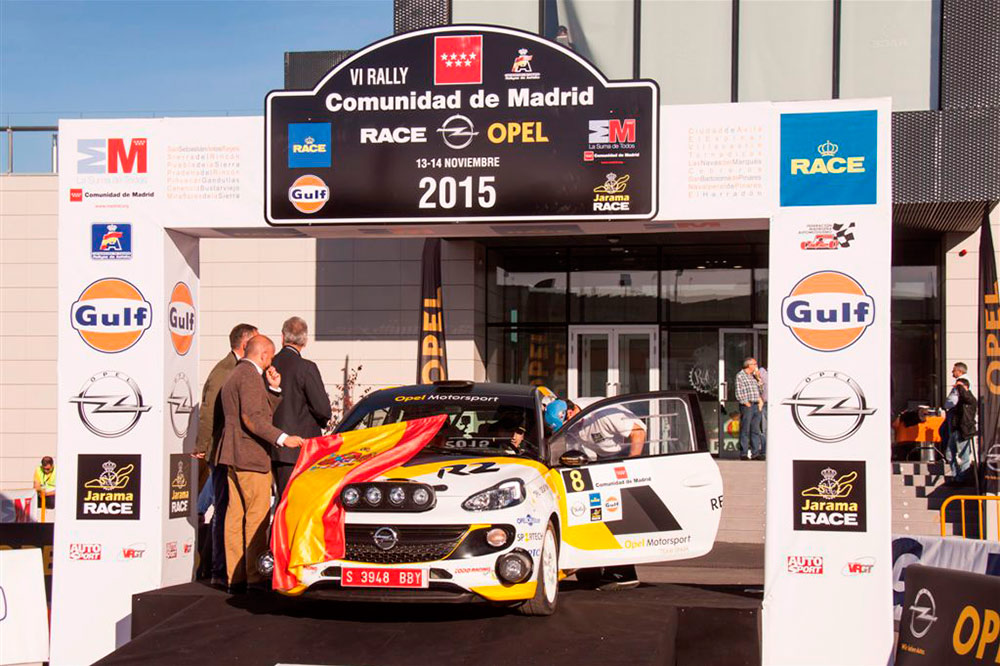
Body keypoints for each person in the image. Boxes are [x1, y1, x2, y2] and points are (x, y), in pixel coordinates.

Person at [217, 335, 304, 593]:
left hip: (233, 454)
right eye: (271, 356)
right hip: (250, 456)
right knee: (256, 519)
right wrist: (283, 438)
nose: (271, 361)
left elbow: (256, 411)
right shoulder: (249, 376)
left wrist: (274, 390)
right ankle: (254, 577)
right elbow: (253, 418)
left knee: (234, 517)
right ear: (263, 354)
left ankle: (235, 577)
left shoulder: (236, 373)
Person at [193, 322, 257, 587]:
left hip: (230, 449)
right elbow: (208, 411)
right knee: (221, 508)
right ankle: (219, 570)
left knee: (227, 507)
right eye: (255, 341)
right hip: (220, 450)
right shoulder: (225, 371)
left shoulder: (239, 369)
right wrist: (202, 445)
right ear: (245, 344)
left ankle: (222, 567)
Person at [271, 317, 332, 501]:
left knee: (282, 500)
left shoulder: (269, 365)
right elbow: (323, 409)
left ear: (282, 337)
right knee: (300, 501)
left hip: (272, 444)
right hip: (301, 447)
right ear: (304, 341)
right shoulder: (306, 368)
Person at [946, 378, 977, 483]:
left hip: (964, 431)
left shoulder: (970, 399)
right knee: (949, 454)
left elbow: (966, 397)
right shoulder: (958, 400)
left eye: (960, 387)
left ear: (966, 387)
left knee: (964, 456)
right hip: (955, 430)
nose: (957, 389)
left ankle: (963, 478)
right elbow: (948, 404)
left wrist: (960, 387)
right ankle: (956, 476)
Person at [735, 357, 763, 460]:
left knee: (755, 430)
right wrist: (746, 403)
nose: (756, 366)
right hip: (748, 405)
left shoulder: (753, 376)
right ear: (748, 365)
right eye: (754, 364)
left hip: (756, 405)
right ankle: (744, 453)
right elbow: (739, 391)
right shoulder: (740, 375)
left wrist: (759, 379)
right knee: (745, 429)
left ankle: (755, 453)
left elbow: (760, 390)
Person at [755, 365, 768, 459]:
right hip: (765, 403)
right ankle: (764, 451)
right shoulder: (763, 371)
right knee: (764, 429)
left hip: (776, 405)